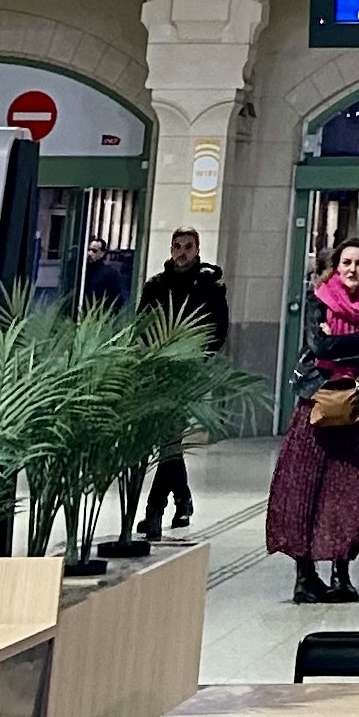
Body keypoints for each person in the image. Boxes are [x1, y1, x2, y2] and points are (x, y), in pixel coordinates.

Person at [265, 234, 359, 601]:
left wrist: (342, 344)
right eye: (346, 262)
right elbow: (319, 347)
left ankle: (341, 574)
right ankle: (304, 577)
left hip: (355, 407)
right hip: (316, 404)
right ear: (336, 266)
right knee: (303, 488)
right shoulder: (319, 299)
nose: (353, 269)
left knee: (347, 490)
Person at [135, 226, 229, 536]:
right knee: (170, 439)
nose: (182, 252)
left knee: (170, 438)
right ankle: (183, 499)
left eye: (188, 246)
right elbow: (142, 325)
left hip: (189, 373)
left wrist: (198, 358)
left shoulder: (209, 287)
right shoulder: (156, 286)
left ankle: (154, 510)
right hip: (159, 371)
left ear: (197, 250)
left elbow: (218, 330)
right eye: (177, 246)